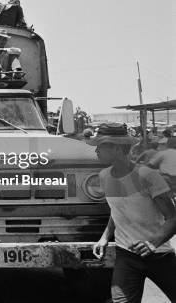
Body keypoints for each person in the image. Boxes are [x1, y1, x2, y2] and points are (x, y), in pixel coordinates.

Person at [90, 123, 176, 303]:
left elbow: (173, 218)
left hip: (159, 256)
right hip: (126, 257)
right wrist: (105, 237)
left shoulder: (147, 176)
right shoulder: (104, 176)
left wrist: (152, 243)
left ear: (117, 148)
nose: (96, 150)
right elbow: (117, 210)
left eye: (101, 146)